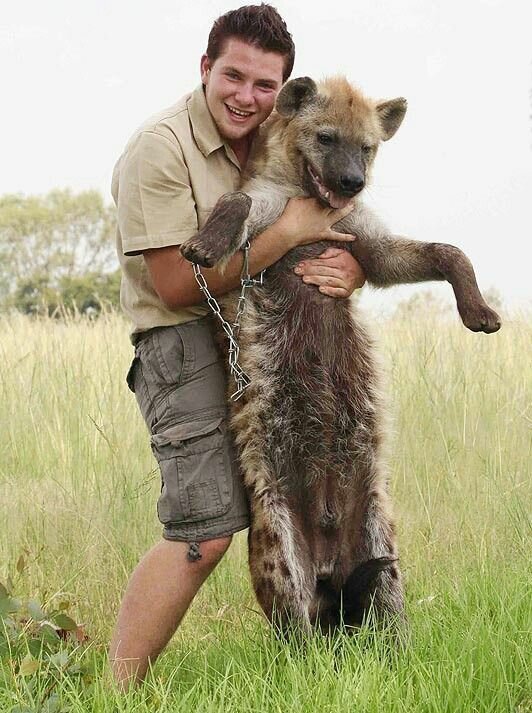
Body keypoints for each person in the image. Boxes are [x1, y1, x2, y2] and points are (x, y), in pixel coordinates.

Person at [109, 3, 365, 688]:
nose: (246, 97)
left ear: (285, 91)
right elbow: (171, 284)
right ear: (205, 68)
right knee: (204, 529)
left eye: (264, 86)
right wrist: (283, 237)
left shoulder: (286, 134)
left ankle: (320, 668)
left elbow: (342, 221)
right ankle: (113, 691)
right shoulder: (159, 148)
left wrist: (354, 266)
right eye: (234, 76)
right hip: (182, 337)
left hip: (256, 335)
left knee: (303, 505)